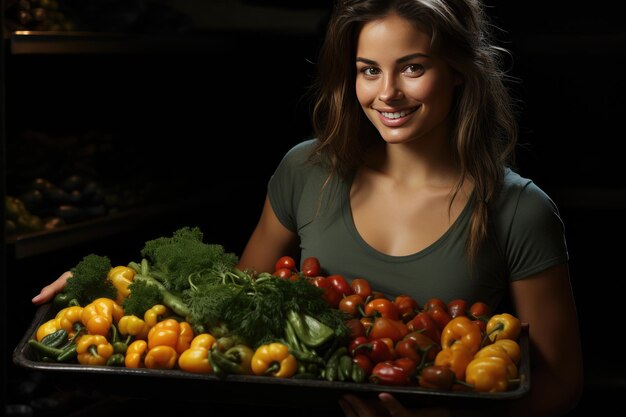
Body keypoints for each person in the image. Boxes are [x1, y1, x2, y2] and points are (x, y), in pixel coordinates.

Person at [33, 0, 583, 416]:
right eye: (369, 70)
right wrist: (106, 289)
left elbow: (560, 384)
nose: (387, 93)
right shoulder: (308, 170)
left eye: (412, 67)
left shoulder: (519, 209)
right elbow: (230, 302)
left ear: (458, 70)